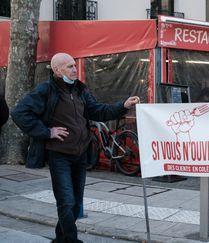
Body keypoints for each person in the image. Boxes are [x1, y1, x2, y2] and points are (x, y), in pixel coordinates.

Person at [11, 53, 139, 243]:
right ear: (56, 70)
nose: (74, 69)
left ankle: (60, 239)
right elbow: (19, 113)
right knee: (66, 201)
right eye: (70, 66)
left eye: (74, 65)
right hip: (59, 156)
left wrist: (123, 106)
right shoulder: (46, 90)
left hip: (80, 155)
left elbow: (97, 110)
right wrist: (47, 132)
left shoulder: (80, 90)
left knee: (75, 203)